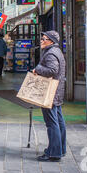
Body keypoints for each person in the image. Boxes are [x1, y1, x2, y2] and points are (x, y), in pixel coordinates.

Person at [33, 30, 66, 162]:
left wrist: (38, 69)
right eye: (41, 38)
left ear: (51, 41)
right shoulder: (56, 51)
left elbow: (53, 70)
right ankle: (60, 149)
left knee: (52, 123)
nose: (41, 40)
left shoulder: (51, 53)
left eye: (44, 39)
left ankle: (53, 153)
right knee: (59, 121)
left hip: (50, 93)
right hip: (56, 92)